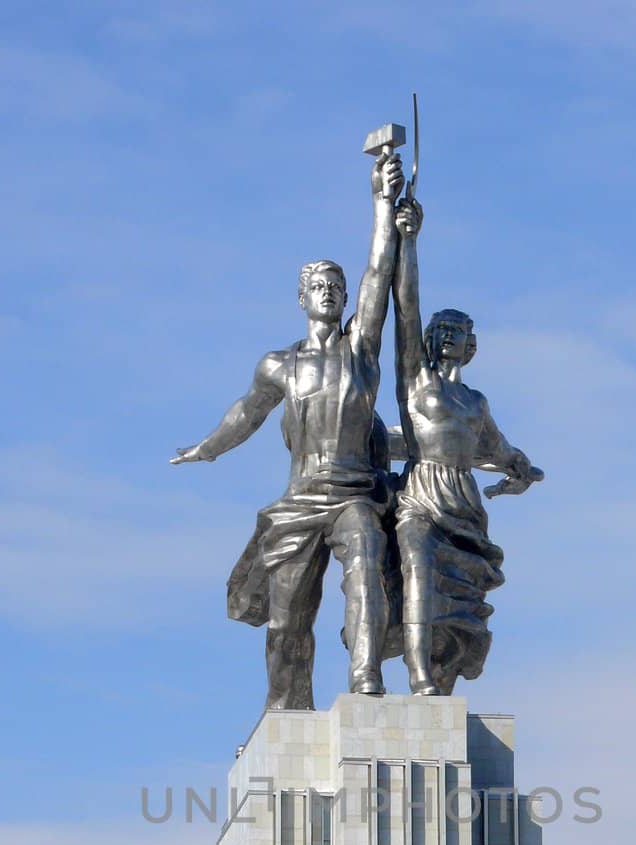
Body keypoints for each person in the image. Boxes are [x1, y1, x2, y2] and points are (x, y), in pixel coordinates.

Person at [173, 148, 405, 710]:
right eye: (319, 286)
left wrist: (381, 203)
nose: (329, 292)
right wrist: (207, 448)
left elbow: (380, 272)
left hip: (354, 494)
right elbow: (246, 412)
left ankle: (366, 681)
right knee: (286, 621)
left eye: (336, 286)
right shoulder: (278, 364)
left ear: (346, 299)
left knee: (367, 566)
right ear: (302, 298)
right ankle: (287, 707)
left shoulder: (362, 350)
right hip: (301, 498)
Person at [388, 195, 542, 695]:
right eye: (445, 328)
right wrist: (408, 240)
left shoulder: (475, 401)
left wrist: (522, 471)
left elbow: (500, 450)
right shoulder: (416, 382)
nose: (452, 335)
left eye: (461, 330)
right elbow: (405, 307)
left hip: (465, 503)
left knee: (462, 603)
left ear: (471, 344)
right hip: (420, 494)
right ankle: (416, 678)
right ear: (432, 338)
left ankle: (442, 675)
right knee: (416, 569)